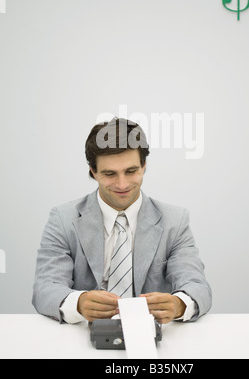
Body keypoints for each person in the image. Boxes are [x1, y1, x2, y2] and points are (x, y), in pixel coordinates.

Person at [32, 118, 212, 324]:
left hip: (154, 339)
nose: (122, 184)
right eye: (110, 174)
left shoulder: (175, 221)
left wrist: (179, 304)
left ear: (144, 166)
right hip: (83, 340)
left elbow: (198, 286)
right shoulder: (63, 219)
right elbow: (45, 288)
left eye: (131, 171)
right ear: (93, 171)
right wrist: (78, 303)